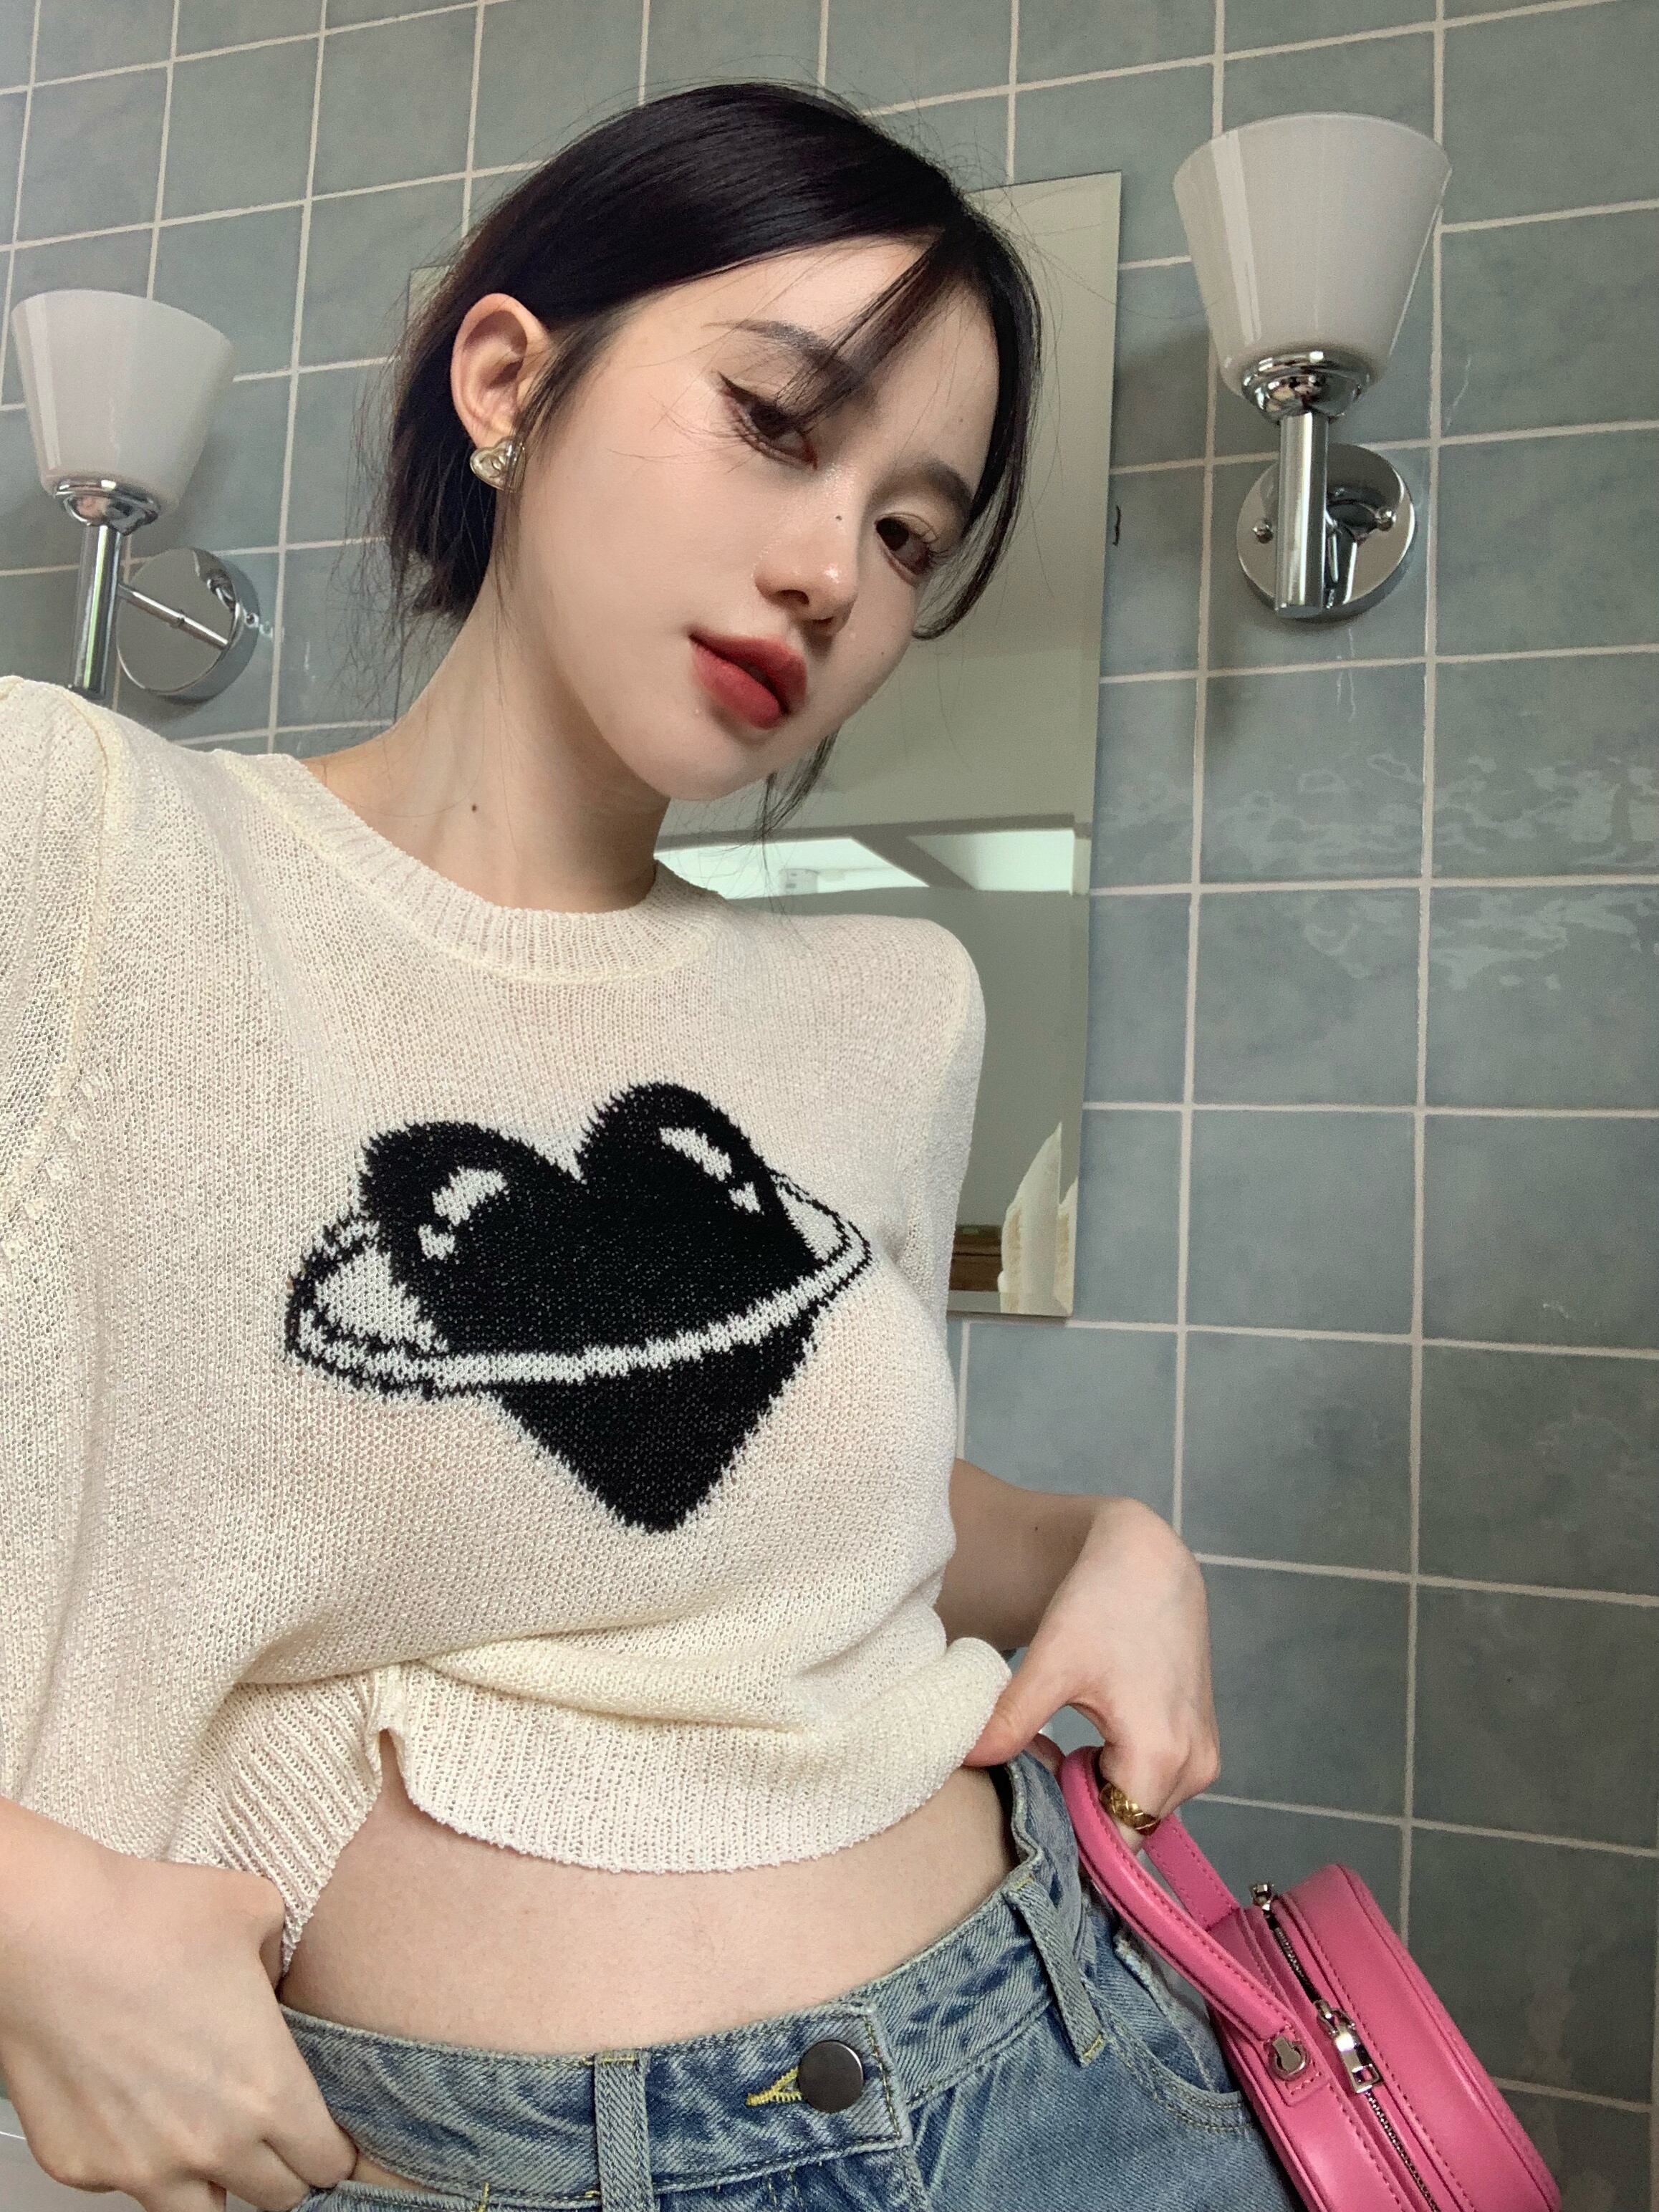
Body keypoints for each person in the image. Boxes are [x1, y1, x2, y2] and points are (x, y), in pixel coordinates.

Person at [0, 80, 1296, 2212]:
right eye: (777, 424)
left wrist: (1098, 1543)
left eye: (908, 534)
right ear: (508, 381)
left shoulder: (892, 1007)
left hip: (1068, 2059)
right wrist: (23, 1908)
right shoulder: (90, 846)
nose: (829, 574)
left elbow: (811, 1505)